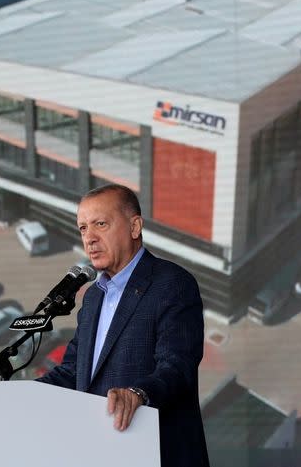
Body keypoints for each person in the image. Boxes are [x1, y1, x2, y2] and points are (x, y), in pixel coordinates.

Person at [37, 184, 209, 467]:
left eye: (100, 224)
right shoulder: (93, 297)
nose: (89, 238)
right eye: (82, 228)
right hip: (101, 454)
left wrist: (138, 394)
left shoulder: (172, 283)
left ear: (134, 226)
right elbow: (72, 371)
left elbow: (177, 366)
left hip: (157, 453)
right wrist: (20, 394)